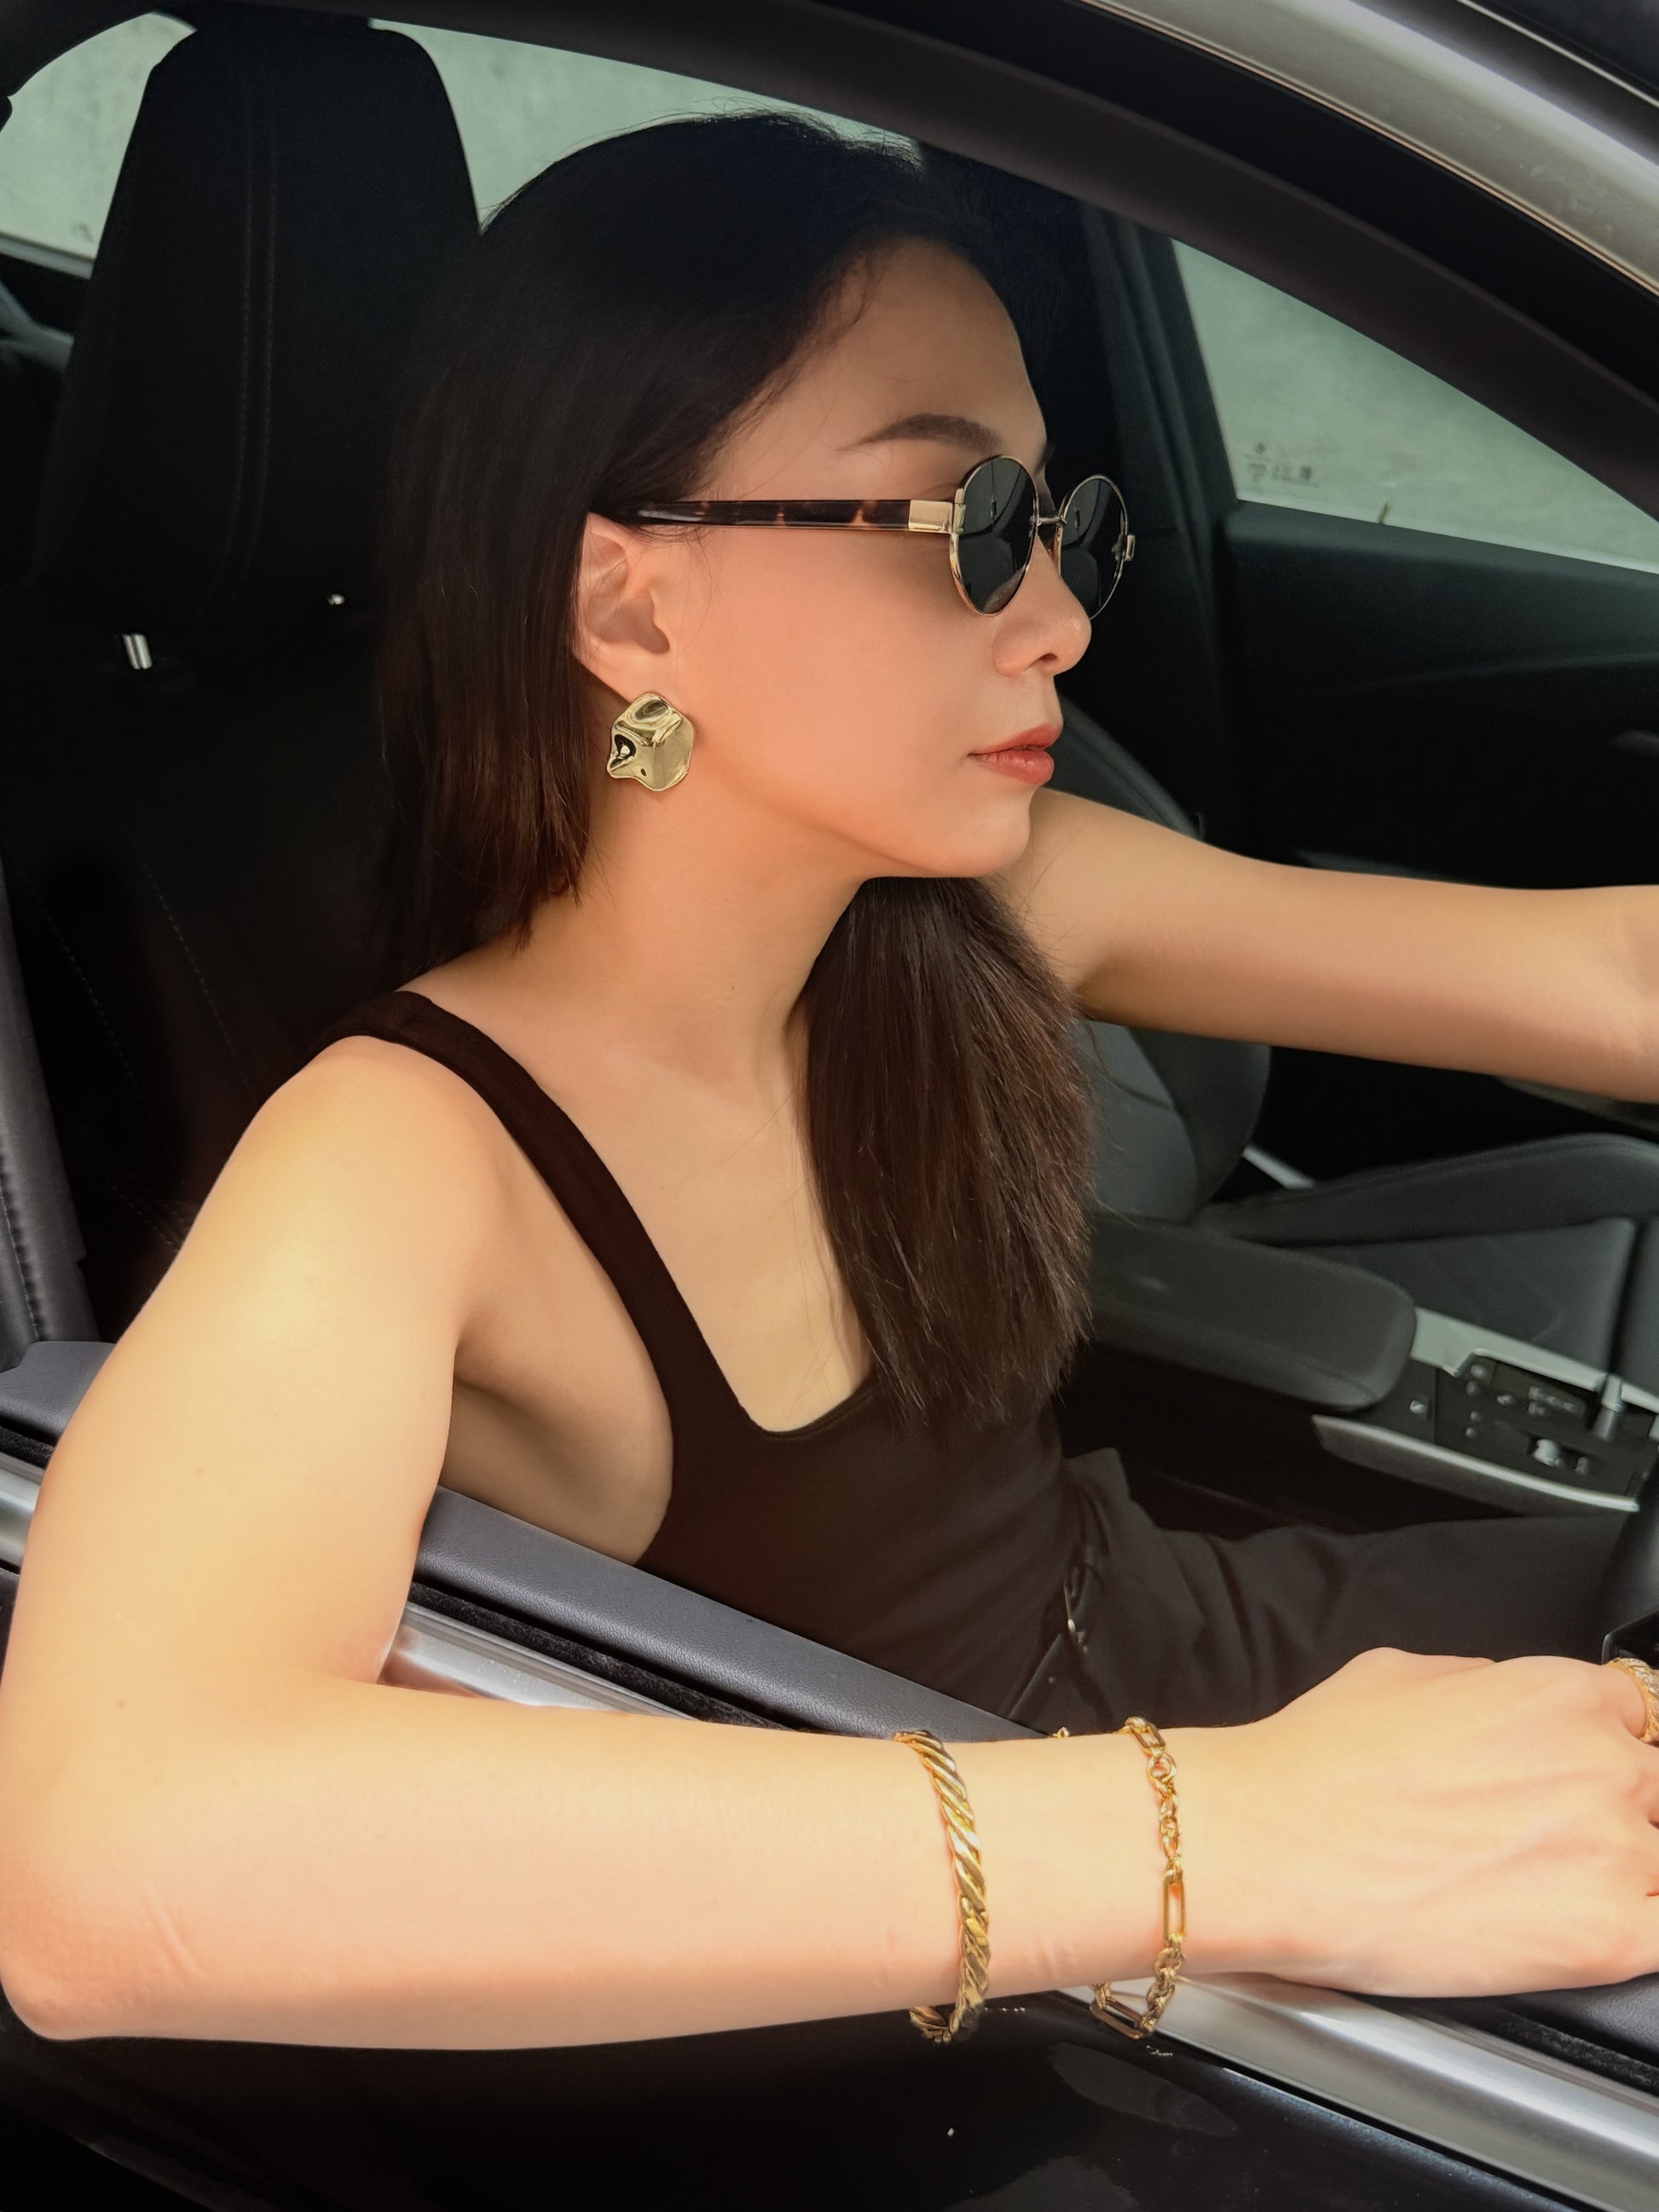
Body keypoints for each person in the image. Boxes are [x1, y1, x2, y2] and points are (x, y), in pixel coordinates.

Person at [0, 114, 1655, 2059]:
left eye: (1060, 522)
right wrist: (1226, 1836)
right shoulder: (405, 1155)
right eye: (966, 525)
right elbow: (106, 1861)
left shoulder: (972, 910)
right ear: (630, 610)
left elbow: (1598, 976)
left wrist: (1237, 1805)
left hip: (1182, 1648)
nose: (1060, 617)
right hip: (1016, 1927)